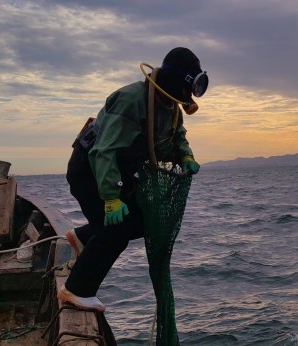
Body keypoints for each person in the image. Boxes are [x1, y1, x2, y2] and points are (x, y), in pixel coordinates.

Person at [59, 47, 208, 310]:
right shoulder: (131, 100)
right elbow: (104, 152)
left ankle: (82, 238)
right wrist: (111, 198)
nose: (190, 96)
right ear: (178, 82)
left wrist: (185, 156)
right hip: (90, 169)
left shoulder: (169, 105)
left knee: (142, 220)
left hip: (120, 170)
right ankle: (76, 290)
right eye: (191, 86)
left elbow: (177, 136)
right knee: (115, 233)